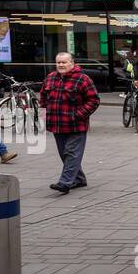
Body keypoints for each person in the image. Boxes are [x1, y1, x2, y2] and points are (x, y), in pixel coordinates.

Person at [40, 52, 101, 191]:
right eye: (58, 62)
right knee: (65, 154)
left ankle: (65, 182)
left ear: (72, 63)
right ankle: (79, 179)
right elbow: (43, 96)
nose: (61, 65)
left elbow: (94, 100)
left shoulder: (82, 79)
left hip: (76, 124)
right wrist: (45, 112)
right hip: (56, 124)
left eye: (64, 62)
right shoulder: (50, 78)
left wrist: (78, 115)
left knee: (71, 153)